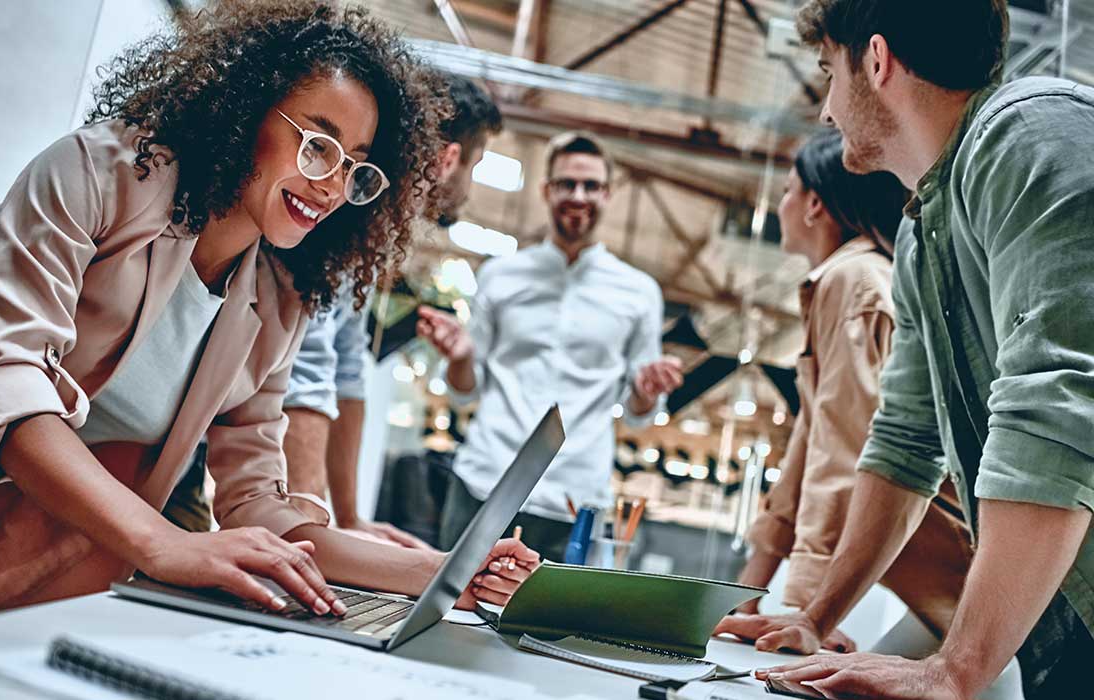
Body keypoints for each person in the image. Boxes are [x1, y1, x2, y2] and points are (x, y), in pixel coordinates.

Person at [0, 0, 535, 631]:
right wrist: (162, 542)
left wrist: (446, 570)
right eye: (318, 144)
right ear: (247, 110)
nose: (331, 185)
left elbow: (256, 503)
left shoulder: (279, 301)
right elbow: (8, 380)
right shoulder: (98, 174)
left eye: (355, 168)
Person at [716, 2, 1094, 698]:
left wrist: (956, 671)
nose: (828, 110)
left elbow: (1059, 406)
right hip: (1060, 619)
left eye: (831, 72)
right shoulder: (923, 235)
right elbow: (902, 442)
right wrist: (813, 615)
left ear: (878, 61)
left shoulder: (1034, 134)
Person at [730, 130, 977, 656]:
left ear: (816, 203)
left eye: (788, 190)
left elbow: (843, 452)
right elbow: (807, 446)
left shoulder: (854, 282)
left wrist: (806, 612)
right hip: (941, 581)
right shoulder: (843, 282)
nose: (782, 204)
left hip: (964, 577)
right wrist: (746, 594)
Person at [417, 132, 685, 562]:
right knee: (450, 614)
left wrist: (646, 391)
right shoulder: (501, 275)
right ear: (546, 190)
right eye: (566, 184)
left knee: (551, 628)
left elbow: (639, 416)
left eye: (591, 185)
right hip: (486, 482)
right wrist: (462, 358)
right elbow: (465, 390)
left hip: (575, 499)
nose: (578, 196)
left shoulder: (640, 293)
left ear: (608, 194)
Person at [279, 73, 503, 549]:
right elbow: (309, 368)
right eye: (476, 165)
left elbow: (346, 368)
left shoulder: (377, 234)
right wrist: (313, 531)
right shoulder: (350, 212)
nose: (469, 185)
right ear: (448, 160)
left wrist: (348, 518)